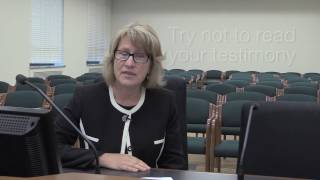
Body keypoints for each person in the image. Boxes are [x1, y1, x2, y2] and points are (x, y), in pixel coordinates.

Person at [55, 23, 187, 172]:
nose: (129, 63)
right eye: (123, 54)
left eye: (140, 56)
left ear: (151, 66)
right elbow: (52, 147)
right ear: (112, 59)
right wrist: (101, 157)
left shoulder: (165, 102)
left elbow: (175, 165)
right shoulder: (85, 97)